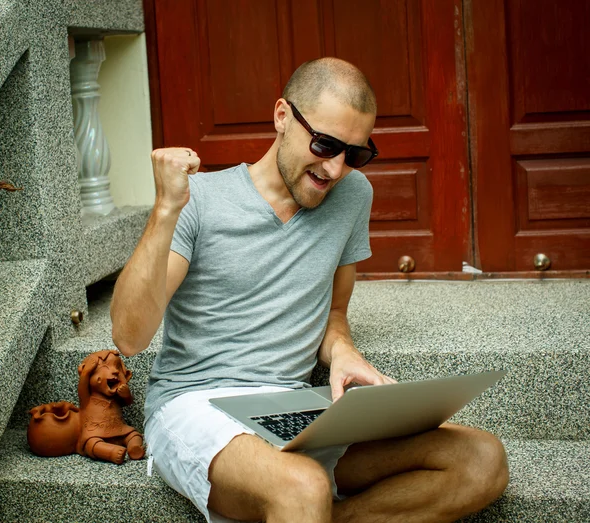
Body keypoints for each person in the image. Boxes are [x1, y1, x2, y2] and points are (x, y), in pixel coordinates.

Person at [111, 57, 509, 523]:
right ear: (282, 116)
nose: (336, 168)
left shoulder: (352, 195)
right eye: (325, 144)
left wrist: (342, 350)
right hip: (196, 404)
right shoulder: (199, 200)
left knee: (481, 459)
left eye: (355, 153)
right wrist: (164, 210)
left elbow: (334, 312)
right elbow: (129, 337)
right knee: (303, 488)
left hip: (292, 410)